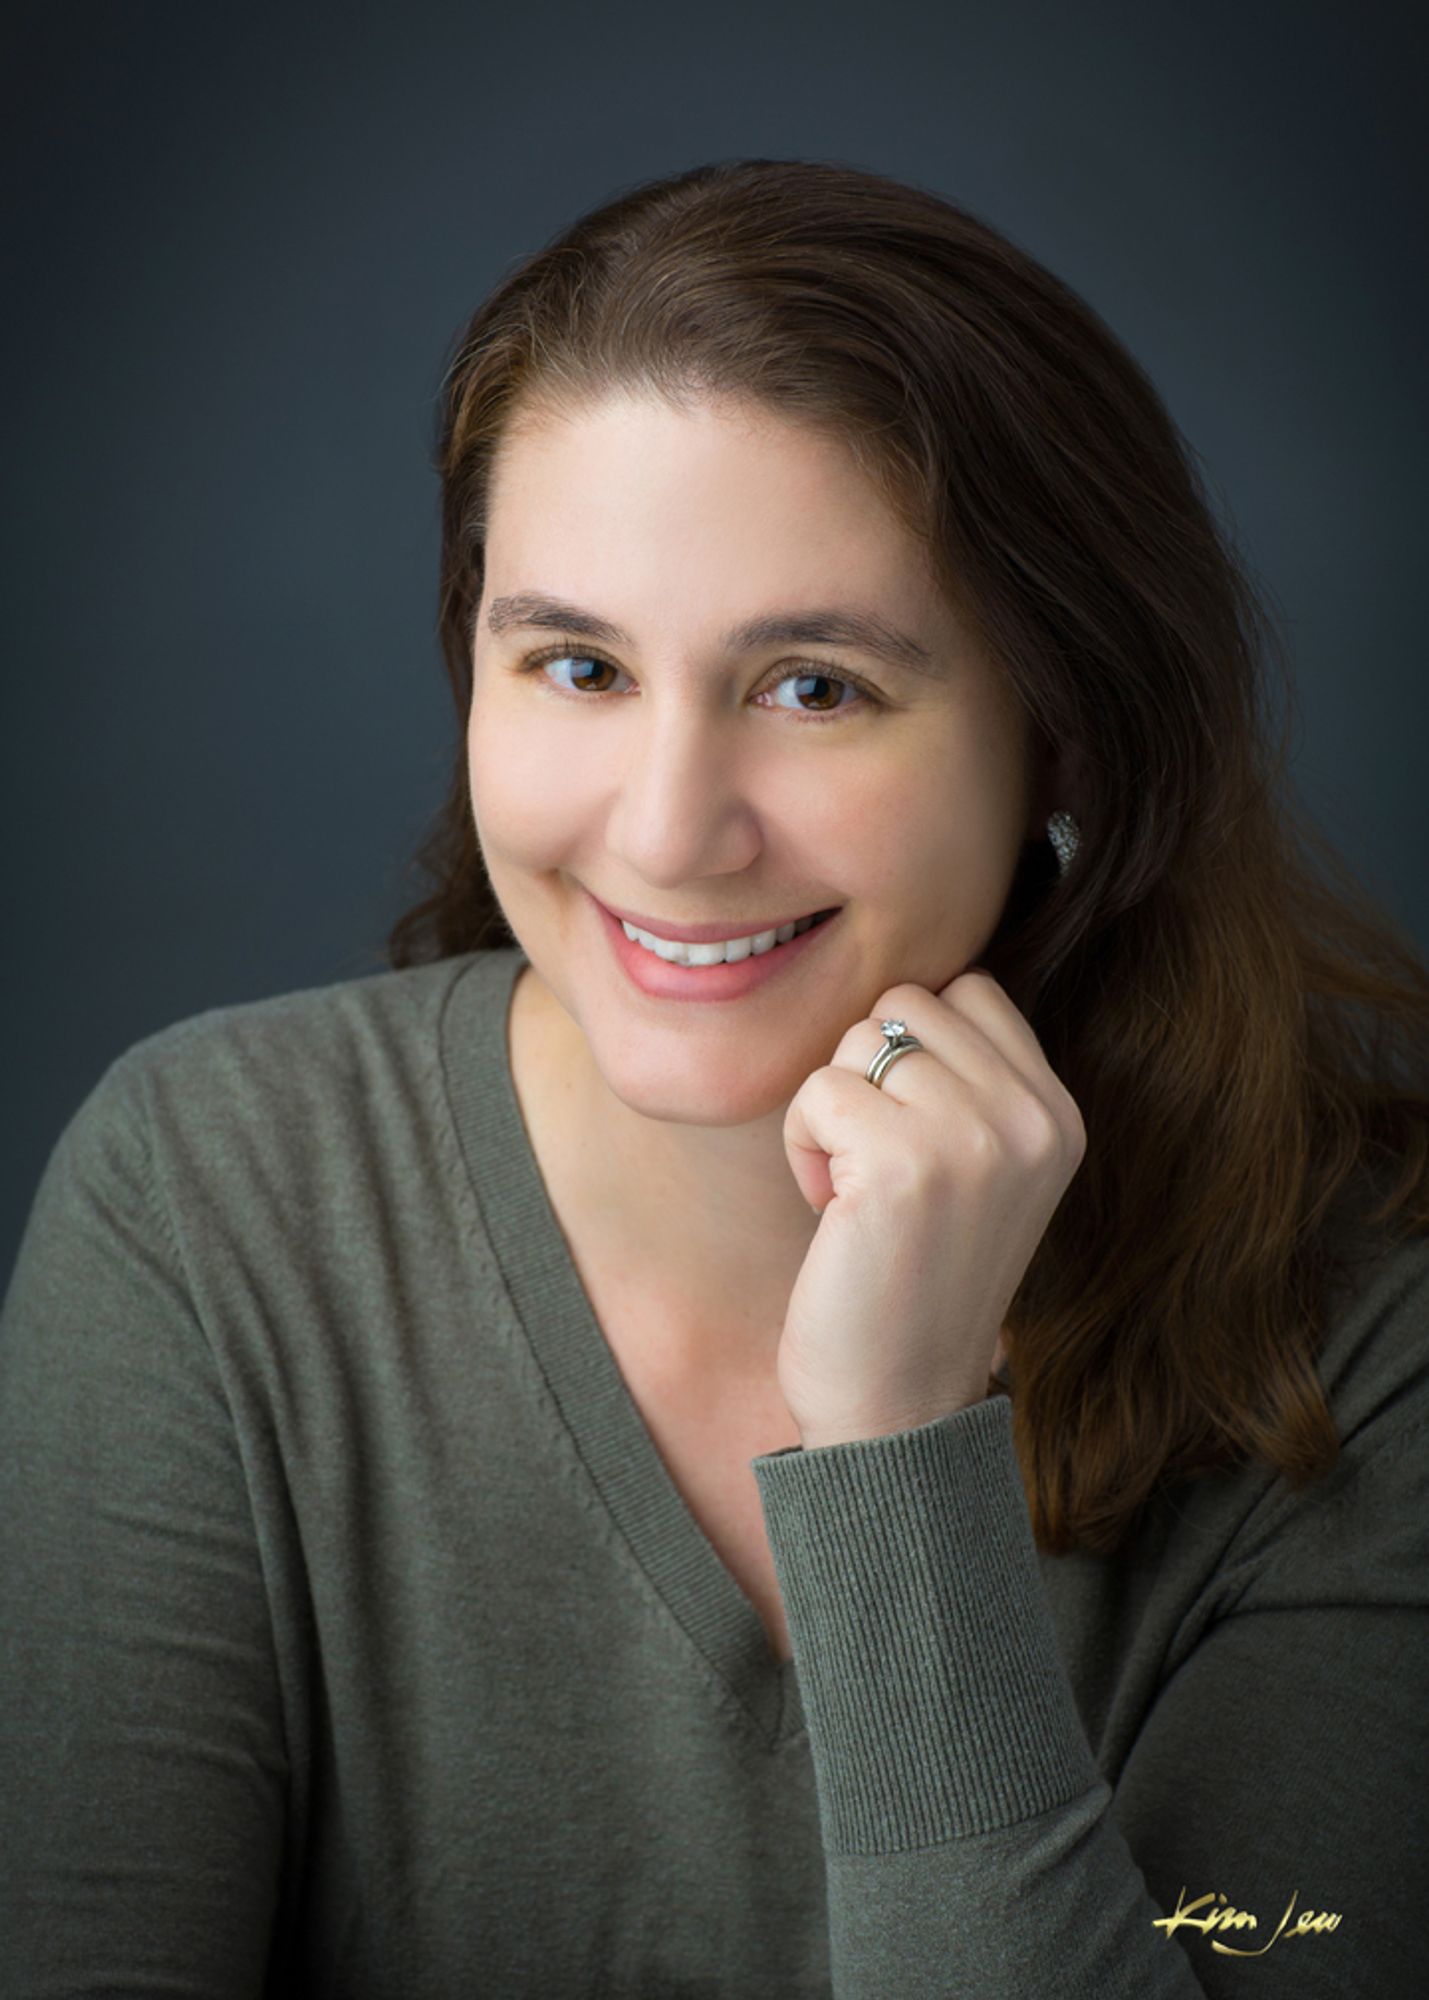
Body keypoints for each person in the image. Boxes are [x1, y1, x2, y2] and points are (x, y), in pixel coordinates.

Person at [2, 157, 1426, 1998]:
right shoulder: (212, 1201)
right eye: (578, 665)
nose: (668, 834)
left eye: (814, 685)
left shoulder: (1369, 1328)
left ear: (1065, 732)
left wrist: (899, 1446)